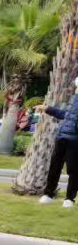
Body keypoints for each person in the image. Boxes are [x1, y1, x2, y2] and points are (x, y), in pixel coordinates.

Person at [35, 78, 78, 208]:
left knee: (74, 170)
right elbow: (66, 115)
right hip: (62, 137)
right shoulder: (74, 99)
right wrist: (48, 109)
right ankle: (48, 195)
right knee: (54, 167)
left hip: (75, 140)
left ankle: (69, 199)